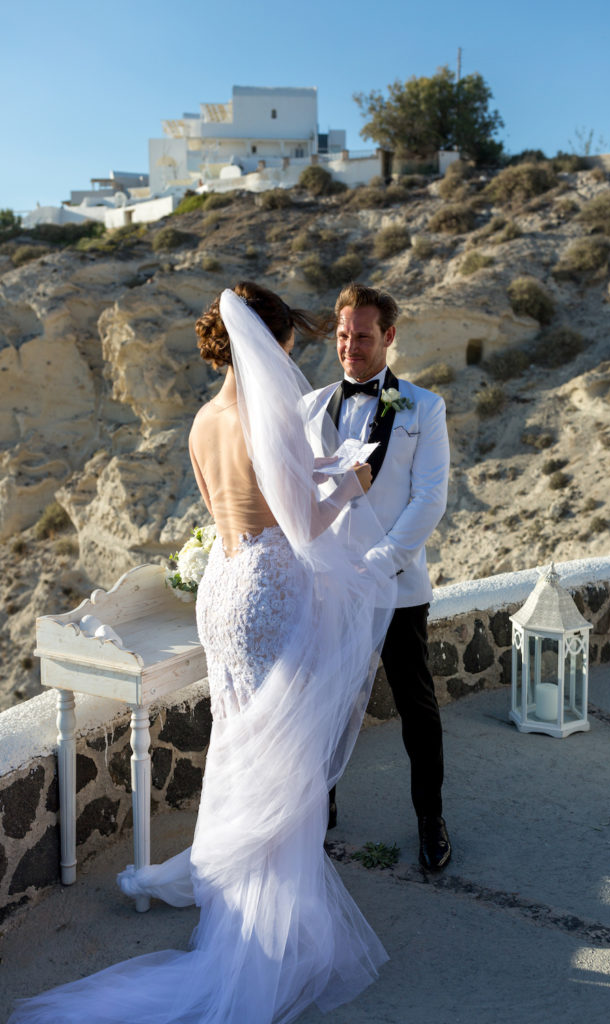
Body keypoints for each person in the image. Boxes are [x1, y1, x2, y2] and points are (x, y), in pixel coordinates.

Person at [9, 283, 397, 1024]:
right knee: (284, 761)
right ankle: (271, 944)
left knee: (239, 742)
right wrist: (353, 481)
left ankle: (245, 905)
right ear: (272, 344)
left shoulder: (203, 420)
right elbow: (304, 525)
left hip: (222, 586)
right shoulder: (270, 411)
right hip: (270, 590)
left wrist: (308, 484)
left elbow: (233, 501)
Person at [306, 283, 452, 870]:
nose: (350, 347)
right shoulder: (311, 407)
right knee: (325, 705)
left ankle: (430, 818)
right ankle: (322, 808)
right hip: (331, 587)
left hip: (396, 586)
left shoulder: (424, 407)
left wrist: (380, 562)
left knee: (417, 708)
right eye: (342, 336)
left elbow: (430, 498)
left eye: (362, 337)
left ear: (389, 337)